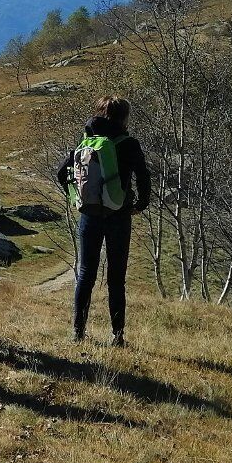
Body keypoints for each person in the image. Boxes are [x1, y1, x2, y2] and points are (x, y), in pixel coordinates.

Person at [70, 95, 150, 347]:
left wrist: (79, 197)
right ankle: (117, 336)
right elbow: (144, 178)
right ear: (124, 117)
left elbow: (64, 172)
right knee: (117, 278)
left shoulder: (87, 142)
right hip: (119, 216)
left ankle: (78, 332)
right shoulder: (129, 144)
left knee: (86, 274)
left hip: (89, 215)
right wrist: (140, 204)